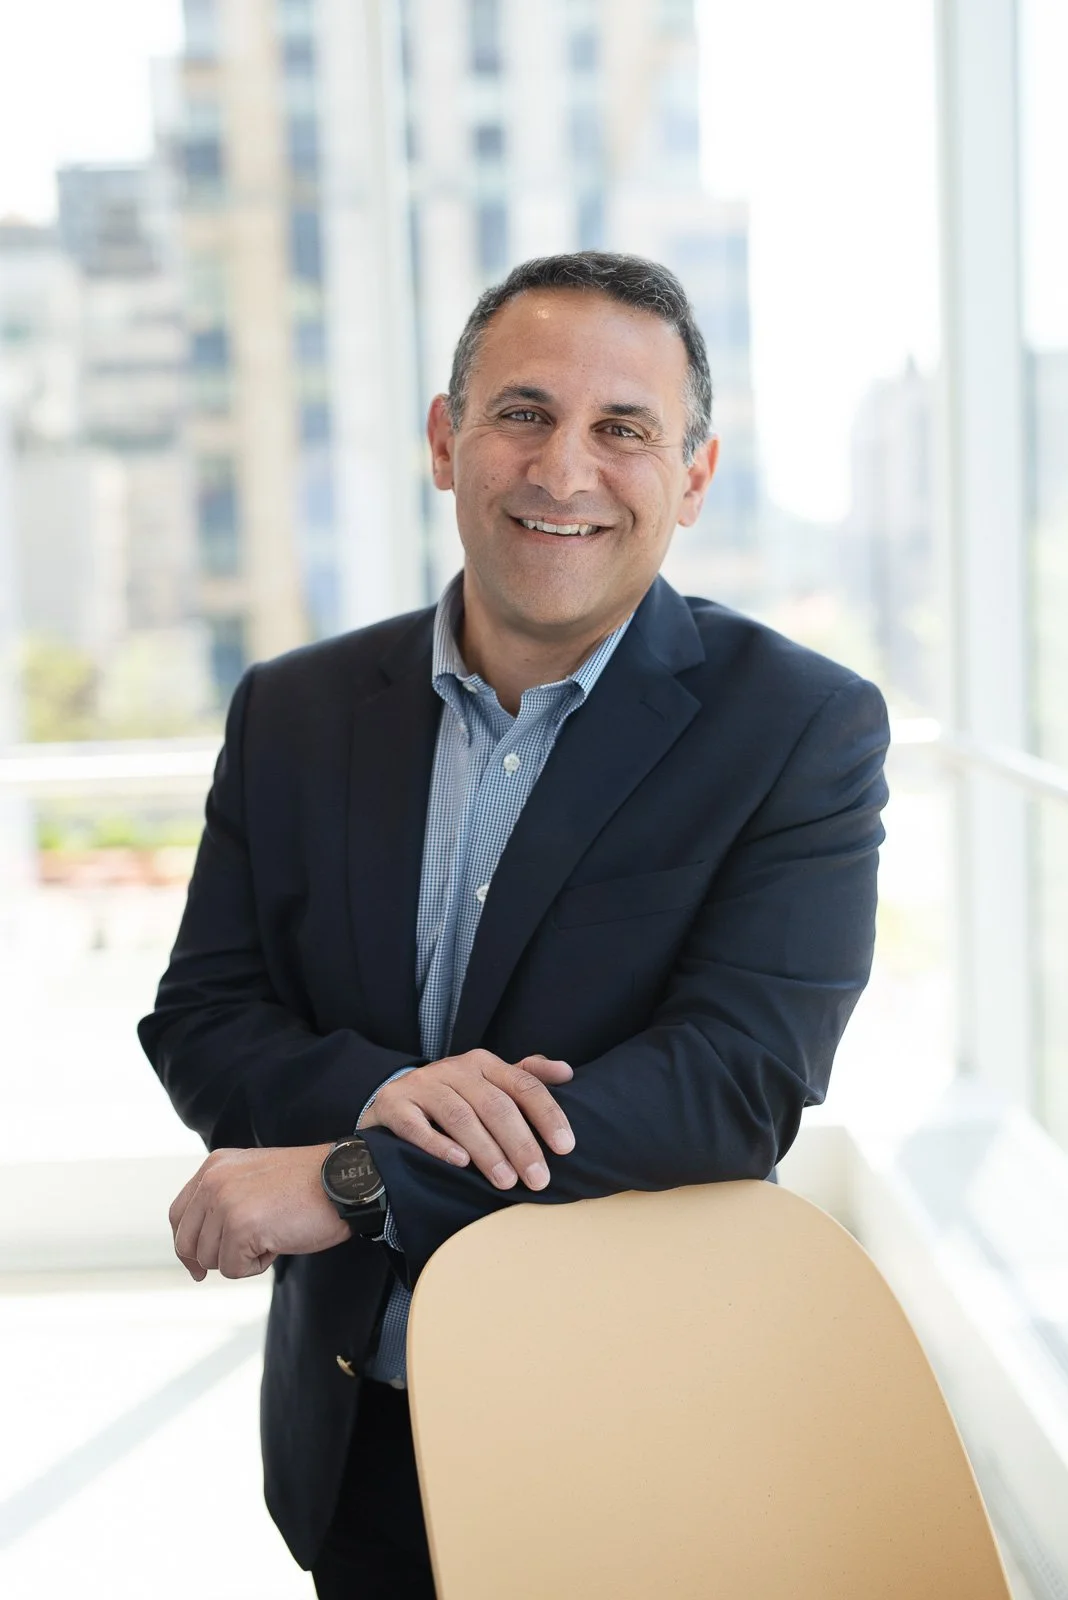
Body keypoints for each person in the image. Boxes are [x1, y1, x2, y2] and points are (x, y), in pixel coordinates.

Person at [140, 250, 890, 1598]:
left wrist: (356, 1177)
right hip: (356, 1417)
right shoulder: (294, 711)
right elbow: (204, 1014)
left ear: (694, 478)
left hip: (633, 1426)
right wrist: (382, 1091)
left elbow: (736, 1081)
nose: (564, 470)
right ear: (447, 439)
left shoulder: (800, 726)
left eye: (625, 429)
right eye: (524, 414)